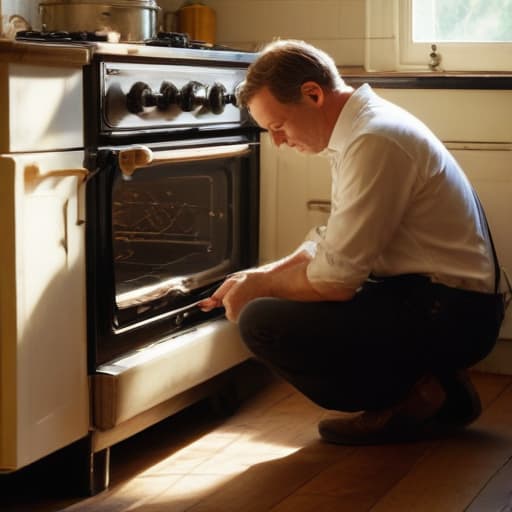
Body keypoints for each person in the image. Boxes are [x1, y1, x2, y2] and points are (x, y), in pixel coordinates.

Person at [200, 39, 506, 445]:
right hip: (442, 301)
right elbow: (334, 242)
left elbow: (335, 280)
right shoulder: (360, 129)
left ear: (313, 94)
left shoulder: (373, 139)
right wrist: (263, 273)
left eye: (278, 126)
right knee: (279, 295)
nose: (278, 141)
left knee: (262, 323)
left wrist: (260, 288)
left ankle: (414, 394)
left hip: (450, 312)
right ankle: (436, 382)